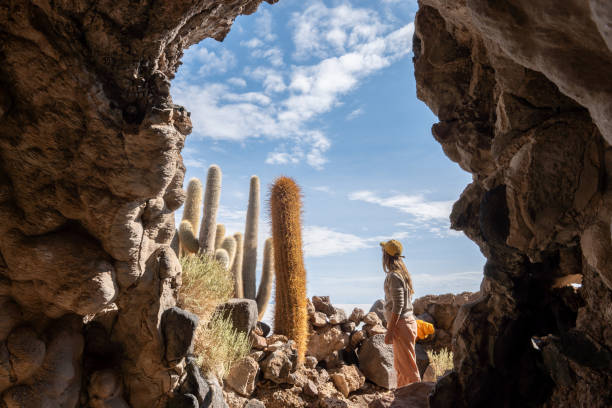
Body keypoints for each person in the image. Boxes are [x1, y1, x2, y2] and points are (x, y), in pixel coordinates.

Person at [380, 239, 421, 387]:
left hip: (401, 326)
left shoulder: (394, 276)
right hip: (404, 324)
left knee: (407, 369)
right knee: (402, 368)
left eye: (383, 252)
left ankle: (418, 399)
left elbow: (399, 305)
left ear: (387, 256)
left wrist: (390, 330)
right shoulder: (400, 274)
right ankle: (405, 399)